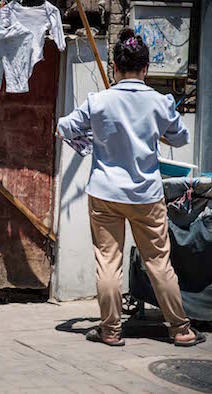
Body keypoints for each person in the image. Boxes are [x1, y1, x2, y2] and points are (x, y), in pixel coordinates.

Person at [57, 28, 206, 347]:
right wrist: (160, 134)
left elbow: (65, 126)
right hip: (146, 195)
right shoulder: (159, 102)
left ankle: (110, 331)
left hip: (104, 194)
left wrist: (91, 135)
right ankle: (180, 329)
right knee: (158, 263)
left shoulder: (99, 101)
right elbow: (181, 137)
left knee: (107, 262)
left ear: (114, 67)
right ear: (146, 68)